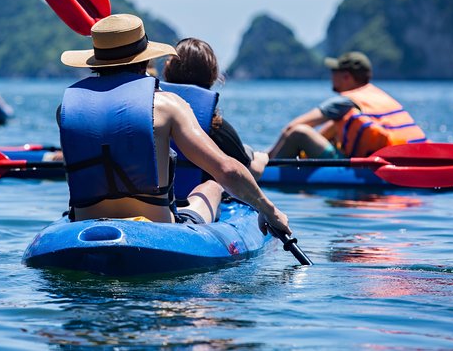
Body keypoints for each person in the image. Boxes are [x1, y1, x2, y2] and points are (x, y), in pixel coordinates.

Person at [57, 13, 290, 236]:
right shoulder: (166, 106)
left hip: (83, 222)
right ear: (145, 60)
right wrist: (269, 210)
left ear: (94, 62)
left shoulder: (67, 109)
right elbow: (227, 170)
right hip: (158, 227)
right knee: (212, 185)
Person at [161, 38, 269, 201]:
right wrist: (262, 160)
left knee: (245, 151)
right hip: (199, 201)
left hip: (159, 199)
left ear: (167, 71)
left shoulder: (152, 115)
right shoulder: (215, 127)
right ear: (212, 76)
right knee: (248, 155)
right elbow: (247, 175)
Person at [268, 51, 427, 159]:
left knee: (299, 132)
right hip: (403, 157)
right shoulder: (378, 97)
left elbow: (291, 128)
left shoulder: (344, 101)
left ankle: (266, 174)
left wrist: (266, 159)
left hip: (362, 167)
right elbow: (328, 131)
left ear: (346, 77)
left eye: (334, 72)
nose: (331, 76)